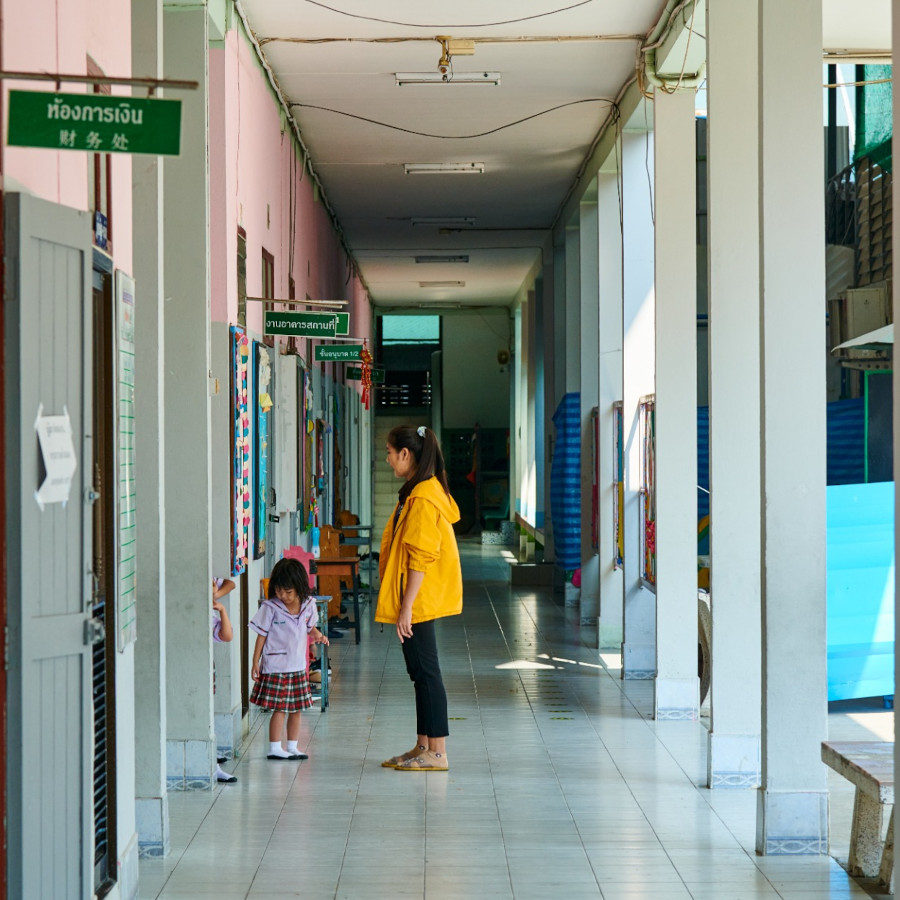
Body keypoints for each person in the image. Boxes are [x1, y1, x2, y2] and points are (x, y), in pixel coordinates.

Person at [377, 425, 463, 772]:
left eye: (388, 451)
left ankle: (438, 752)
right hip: (413, 599)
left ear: (406, 454)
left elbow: (421, 557)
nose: (386, 458)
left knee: (427, 672)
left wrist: (407, 606)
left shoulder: (425, 498)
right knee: (419, 672)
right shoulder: (417, 493)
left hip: (420, 600)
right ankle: (423, 744)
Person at [250, 558, 328, 760]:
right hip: (276, 665)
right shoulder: (270, 607)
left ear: (300, 588)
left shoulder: (309, 604)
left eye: (288, 592)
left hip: (297, 665)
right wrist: (255, 662)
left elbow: (309, 627)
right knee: (279, 707)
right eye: (278, 590)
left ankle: (293, 746)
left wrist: (318, 636)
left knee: (297, 708)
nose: (282, 595)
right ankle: (275, 747)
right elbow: (262, 635)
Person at [212, 577, 237, 783]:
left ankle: (214, 765)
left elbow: (227, 635)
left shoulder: (210, 614)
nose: (214, 587)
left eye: (213, 585)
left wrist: (222, 609)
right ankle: (213, 765)